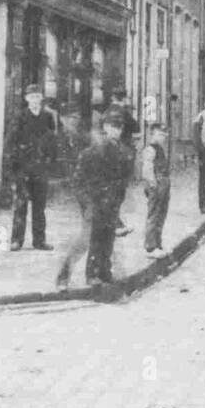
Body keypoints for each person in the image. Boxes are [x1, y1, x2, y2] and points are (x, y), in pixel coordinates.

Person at [74, 104, 133, 284]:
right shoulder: (94, 150)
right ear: (105, 127)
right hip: (95, 200)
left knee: (108, 237)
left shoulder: (122, 150)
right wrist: (87, 202)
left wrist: (118, 196)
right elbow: (80, 180)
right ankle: (92, 274)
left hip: (112, 200)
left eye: (120, 128)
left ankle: (105, 271)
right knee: (95, 237)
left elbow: (124, 177)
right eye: (113, 127)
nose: (117, 131)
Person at [8, 84, 57, 251]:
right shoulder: (20, 117)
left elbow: (52, 141)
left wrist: (49, 161)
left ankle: (39, 240)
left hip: (40, 168)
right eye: (31, 97)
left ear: (41, 98)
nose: (35, 100)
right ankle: (16, 240)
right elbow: (12, 141)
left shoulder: (48, 117)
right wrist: (15, 167)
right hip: (23, 168)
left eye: (37, 96)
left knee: (39, 206)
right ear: (26, 99)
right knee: (20, 205)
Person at [55, 105, 92, 289]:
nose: (74, 122)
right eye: (71, 118)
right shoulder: (58, 137)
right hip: (67, 195)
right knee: (83, 237)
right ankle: (63, 275)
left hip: (83, 191)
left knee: (90, 236)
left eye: (77, 118)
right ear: (62, 119)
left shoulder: (83, 139)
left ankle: (94, 274)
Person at [111, 86, 139, 236]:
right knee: (118, 190)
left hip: (110, 154)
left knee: (112, 189)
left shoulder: (107, 112)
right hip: (122, 155)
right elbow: (137, 130)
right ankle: (114, 223)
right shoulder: (124, 113)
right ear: (124, 98)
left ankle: (115, 222)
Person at [141, 121, 170, 257]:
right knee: (154, 215)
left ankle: (158, 244)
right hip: (156, 184)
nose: (163, 137)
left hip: (163, 183)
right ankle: (150, 247)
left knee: (161, 215)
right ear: (152, 134)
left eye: (164, 134)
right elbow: (147, 170)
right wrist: (153, 185)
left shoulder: (160, 149)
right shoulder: (150, 149)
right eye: (160, 134)